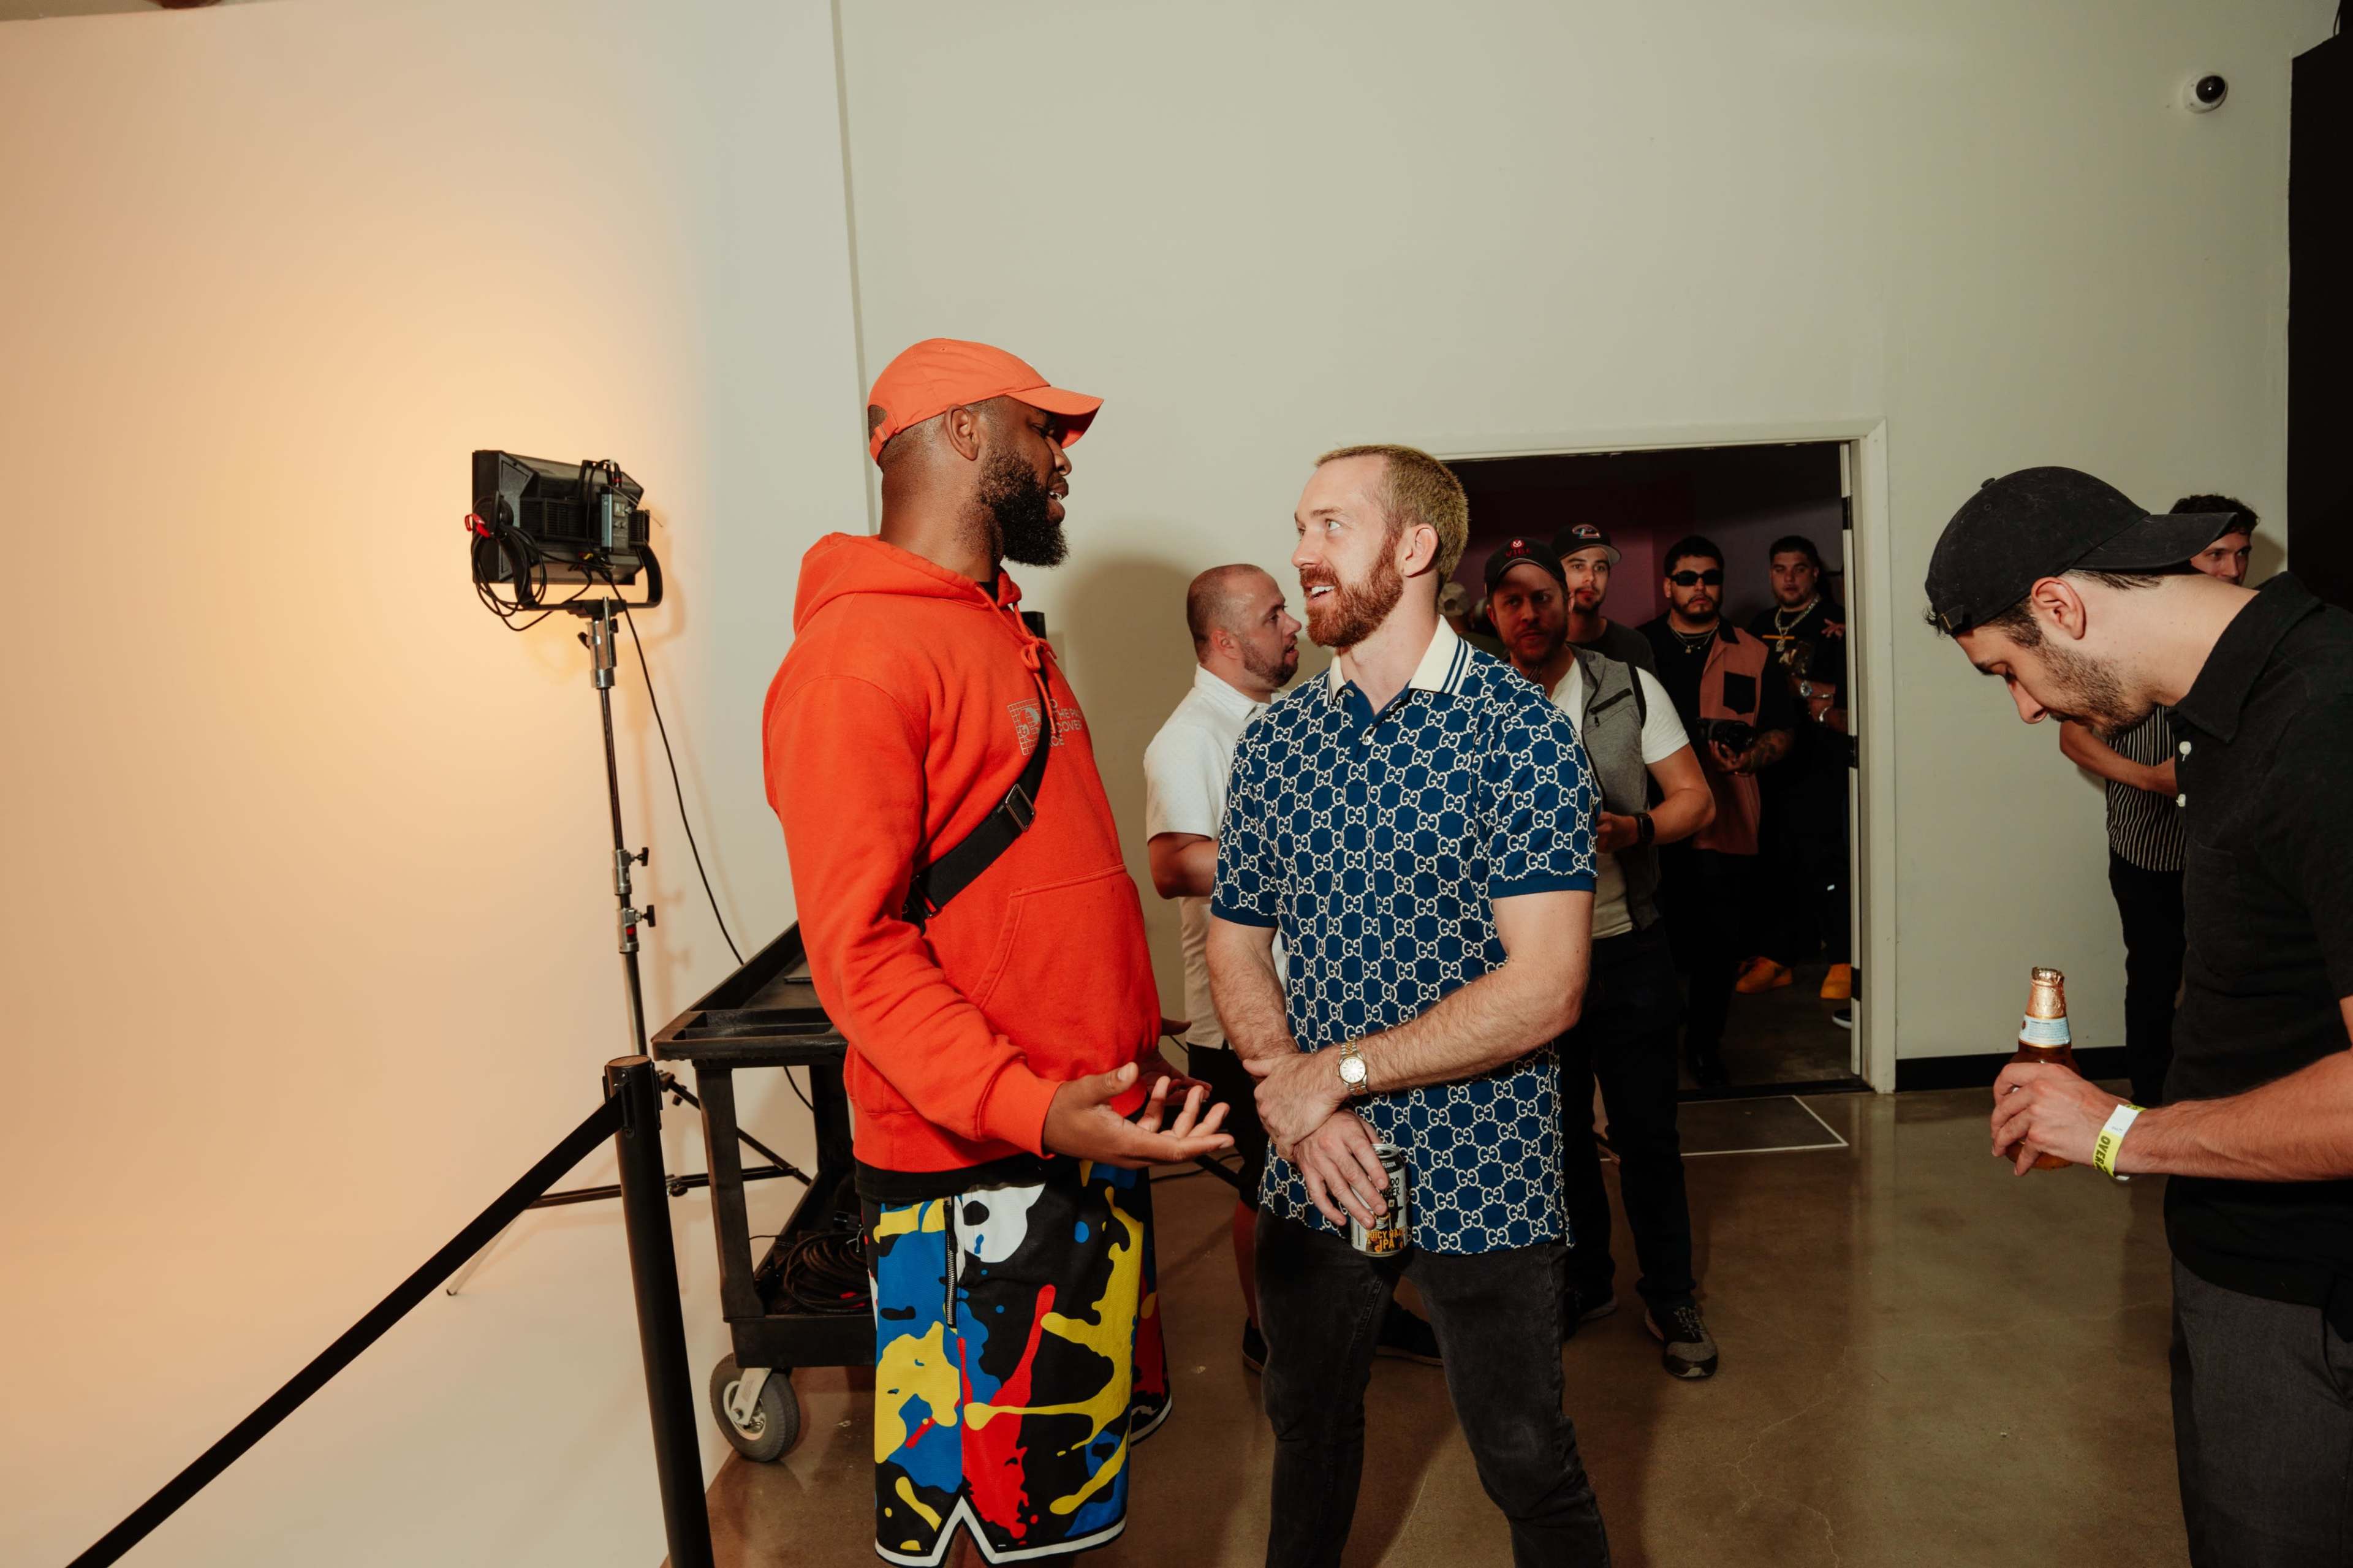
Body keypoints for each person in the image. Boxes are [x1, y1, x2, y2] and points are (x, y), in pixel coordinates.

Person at [763, 338, 1232, 1567]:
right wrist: (1032, 1103)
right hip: (977, 1176)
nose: (1064, 453)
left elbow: (1044, 893)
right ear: (964, 433)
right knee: (991, 1535)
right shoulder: (857, 657)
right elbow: (859, 956)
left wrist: (1136, 1044)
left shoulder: (1002, 634)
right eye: (1044, 427)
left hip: (1080, 1142)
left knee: (1073, 1522)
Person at [1927, 466, 2353, 1568]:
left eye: (2009, 670)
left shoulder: (2323, 714)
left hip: (2311, 1292)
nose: (2024, 705)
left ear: (2061, 606)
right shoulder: (2235, 707)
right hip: (2248, 1262)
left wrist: (2123, 1131)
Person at [1209, 444, 1611, 1566]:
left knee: (1526, 1454)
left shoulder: (1519, 734)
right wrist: (1298, 1092)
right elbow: (1235, 940)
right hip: (1314, 1156)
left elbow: (1548, 984)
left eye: (1331, 524)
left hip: (1486, 1160)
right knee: (1307, 1427)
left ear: (1416, 545)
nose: (1301, 551)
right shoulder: (1277, 738)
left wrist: (1336, 1073)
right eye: (1300, 524)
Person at [1143, 564, 1440, 1373]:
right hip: (1243, 1016)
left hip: (1321, 1005)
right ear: (1227, 639)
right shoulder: (1189, 737)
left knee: (1356, 1164)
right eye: (1275, 615)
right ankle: (1267, 1335)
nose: (1294, 626)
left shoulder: (1286, 722)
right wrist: (1315, 852)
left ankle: (1368, 1316)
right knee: (1265, 1187)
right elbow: (1172, 863)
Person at [1485, 537, 1722, 1377]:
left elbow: (1696, 796)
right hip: (1520, 961)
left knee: (1648, 1130)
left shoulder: (1628, 684)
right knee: (1555, 1136)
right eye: (1512, 598)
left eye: (1543, 595)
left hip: (1627, 946)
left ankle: (1670, 1291)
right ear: (1492, 612)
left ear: (1570, 601)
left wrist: (1638, 826)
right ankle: (1586, 1280)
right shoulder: (1468, 699)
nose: (1530, 612)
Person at [2052, 497, 2260, 1107]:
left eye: (2241, 555)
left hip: (2234, 851)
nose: (2231, 570)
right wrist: (2152, 780)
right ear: (2179, 554)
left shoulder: (2257, 638)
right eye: (2216, 554)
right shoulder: (2127, 629)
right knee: (2154, 977)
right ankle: (2150, 1105)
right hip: (2148, 849)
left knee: (2233, 979)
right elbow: (2074, 736)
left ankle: (2225, 1102)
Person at [1639, 536, 1795, 1087]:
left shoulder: (1753, 651)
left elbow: (1782, 728)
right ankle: (1655, 1050)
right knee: (1654, 948)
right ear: (1668, 585)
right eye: (1687, 578)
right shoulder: (1638, 648)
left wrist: (1754, 754)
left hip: (1726, 823)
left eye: (1710, 577)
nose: (1700, 587)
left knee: (1717, 948)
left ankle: (1705, 1047)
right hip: (1651, 823)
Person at [1737, 534, 1853, 1004]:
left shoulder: (1838, 623)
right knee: (1775, 860)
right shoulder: (1759, 624)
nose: (1789, 577)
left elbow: (1845, 697)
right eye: (1780, 568)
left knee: (1827, 861)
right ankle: (1779, 956)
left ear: (1814, 573)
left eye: (1799, 568)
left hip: (1823, 763)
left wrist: (1798, 688)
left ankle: (1844, 957)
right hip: (1772, 764)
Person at [1553, 520, 1659, 673]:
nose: (1591, 577)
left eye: (1600, 568)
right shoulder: (1539, 646)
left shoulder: (1633, 645)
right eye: (1578, 566)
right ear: (1556, 574)